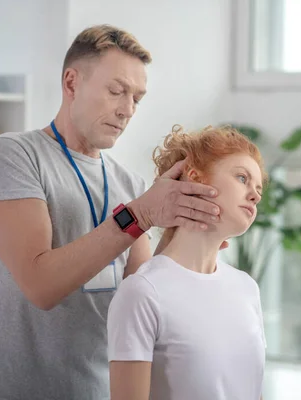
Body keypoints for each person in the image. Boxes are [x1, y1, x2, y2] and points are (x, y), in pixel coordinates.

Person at [0, 25, 225, 400]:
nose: (127, 110)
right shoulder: (13, 155)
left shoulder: (131, 184)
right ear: (71, 83)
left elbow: (145, 294)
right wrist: (140, 215)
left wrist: (193, 246)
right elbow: (41, 285)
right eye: (117, 91)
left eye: (137, 98)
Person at [107, 124, 268, 400]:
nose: (254, 194)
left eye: (258, 190)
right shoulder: (143, 293)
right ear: (195, 178)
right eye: (242, 178)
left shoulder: (246, 288)